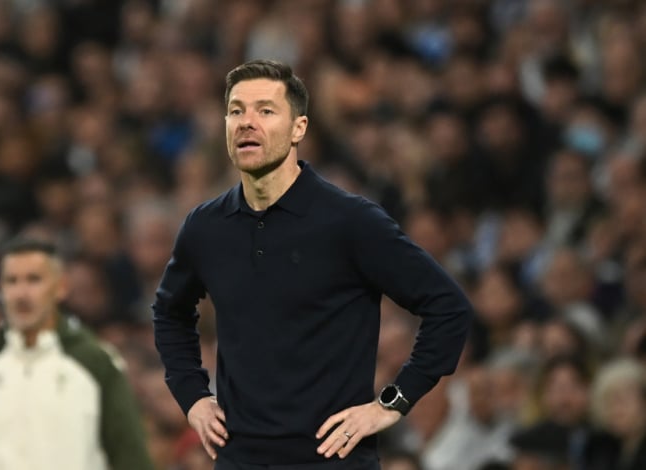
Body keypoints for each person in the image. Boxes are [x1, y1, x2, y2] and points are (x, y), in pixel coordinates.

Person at [153, 59, 472, 468]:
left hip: (332, 460)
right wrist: (193, 396)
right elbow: (170, 312)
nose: (247, 122)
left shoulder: (350, 221)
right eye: (236, 111)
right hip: (240, 459)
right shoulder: (205, 226)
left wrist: (392, 403)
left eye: (265, 110)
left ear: (298, 128)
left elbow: (448, 307)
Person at [0, 238, 154, 470]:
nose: (21, 293)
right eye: (12, 281)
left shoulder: (95, 361)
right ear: (1, 289)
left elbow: (130, 454)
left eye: (34, 280)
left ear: (61, 287)